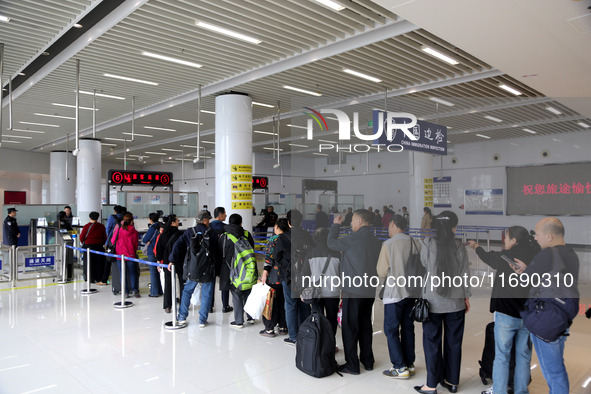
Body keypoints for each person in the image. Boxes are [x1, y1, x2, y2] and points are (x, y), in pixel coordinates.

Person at [468, 226, 540, 394]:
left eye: (506, 238)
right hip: (528, 314)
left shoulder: (506, 256)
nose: (504, 241)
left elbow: (488, 257)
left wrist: (476, 247)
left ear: (514, 240)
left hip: (507, 314)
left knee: (502, 356)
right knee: (523, 357)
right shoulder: (536, 255)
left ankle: (499, 391)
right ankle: (521, 391)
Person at [515, 217, 580, 394]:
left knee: (553, 372)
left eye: (537, 234)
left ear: (549, 236)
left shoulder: (547, 254)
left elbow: (526, 280)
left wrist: (523, 272)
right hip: (561, 316)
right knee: (557, 366)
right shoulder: (570, 253)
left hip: (546, 319)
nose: (535, 238)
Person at [415, 211, 471, 394]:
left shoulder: (427, 243)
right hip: (456, 301)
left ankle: (431, 384)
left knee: (432, 342)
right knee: (454, 342)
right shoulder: (459, 246)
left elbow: (424, 264)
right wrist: (466, 297)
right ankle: (452, 381)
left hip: (432, 301)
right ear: (453, 227)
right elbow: (465, 273)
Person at [328, 209, 382, 375]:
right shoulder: (376, 240)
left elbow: (331, 243)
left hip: (353, 289)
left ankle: (352, 364)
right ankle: (368, 360)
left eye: (352, 221)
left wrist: (336, 225)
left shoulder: (352, 238)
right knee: (365, 324)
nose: (351, 224)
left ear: (358, 220)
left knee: (350, 326)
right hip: (369, 289)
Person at [377, 214, 421, 379]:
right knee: (408, 328)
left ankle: (399, 366)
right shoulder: (415, 242)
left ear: (393, 224)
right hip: (412, 292)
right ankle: (409, 364)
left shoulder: (388, 245)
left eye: (389, 225)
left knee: (391, 329)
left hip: (394, 293)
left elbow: (381, 272)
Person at [171, 210, 216, 328]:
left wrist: (172, 260)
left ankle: (181, 317)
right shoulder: (211, 233)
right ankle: (202, 320)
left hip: (193, 267)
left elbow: (177, 245)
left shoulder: (190, 232)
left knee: (187, 291)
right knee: (206, 293)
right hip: (208, 267)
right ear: (205, 220)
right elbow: (217, 251)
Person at [301, 227, 341, 342]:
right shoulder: (337, 255)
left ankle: (318, 344)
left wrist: (302, 291)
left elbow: (305, 275)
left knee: (317, 318)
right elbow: (342, 274)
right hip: (333, 292)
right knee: (332, 319)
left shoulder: (310, 254)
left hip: (315, 293)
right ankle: (330, 343)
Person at [282, 209, 313, 345]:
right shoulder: (307, 236)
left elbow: (278, 256)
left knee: (290, 305)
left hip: (289, 276)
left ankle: (293, 336)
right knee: (305, 305)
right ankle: (305, 332)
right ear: (301, 221)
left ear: (288, 223)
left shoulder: (283, 237)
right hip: (305, 275)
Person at [220, 213, 256, 329]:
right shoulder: (246, 234)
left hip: (232, 270)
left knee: (236, 294)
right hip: (247, 269)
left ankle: (239, 320)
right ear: (241, 223)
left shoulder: (225, 236)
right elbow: (252, 249)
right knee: (247, 292)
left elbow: (221, 254)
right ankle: (250, 317)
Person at [260, 218, 289, 337]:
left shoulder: (273, 240)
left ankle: (269, 329)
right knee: (283, 302)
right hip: (286, 276)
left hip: (274, 277)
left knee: (271, 302)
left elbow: (269, 259)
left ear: (277, 227)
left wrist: (264, 272)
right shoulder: (289, 238)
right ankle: (283, 327)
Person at [156, 214, 183, 312]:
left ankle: (167, 305)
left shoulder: (163, 234)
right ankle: (183, 303)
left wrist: (158, 260)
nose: (178, 222)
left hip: (167, 263)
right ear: (173, 223)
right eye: (177, 220)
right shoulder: (180, 234)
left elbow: (159, 248)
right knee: (182, 282)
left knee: (168, 283)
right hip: (179, 261)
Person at [111, 213, 140, 298]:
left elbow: (113, 241)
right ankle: (135, 290)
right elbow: (135, 245)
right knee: (133, 273)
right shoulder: (134, 232)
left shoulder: (119, 230)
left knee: (122, 274)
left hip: (120, 255)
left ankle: (126, 292)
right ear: (131, 221)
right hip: (131, 255)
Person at [210, 207, 233, 313]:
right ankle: (225, 305)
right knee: (225, 282)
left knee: (210, 283)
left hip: (211, 258)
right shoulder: (226, 227)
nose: (226, 215)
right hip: (223, 258)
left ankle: (209, 306)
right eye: (225, 213)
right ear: (220, 215)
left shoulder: (209, 227)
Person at [79, 211, 107, 284]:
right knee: (99, 263)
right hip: (99, 247)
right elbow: (105, 237)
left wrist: (85, 244)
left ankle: (89, 278)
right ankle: (98, 278)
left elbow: (82, 237)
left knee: (89, 263)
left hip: (88, 247)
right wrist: (101, 243)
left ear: (90, 217)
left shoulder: (86, 226)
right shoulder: (101, 226)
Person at [142, 212, 163, 297]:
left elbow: (145, 239)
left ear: (150, 219)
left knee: (153, 272)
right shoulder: (161, 226)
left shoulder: (152, 227)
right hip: (160, 251)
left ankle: (154, 292)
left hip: (152, 251)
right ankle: (161, 290)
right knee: (159, 271)